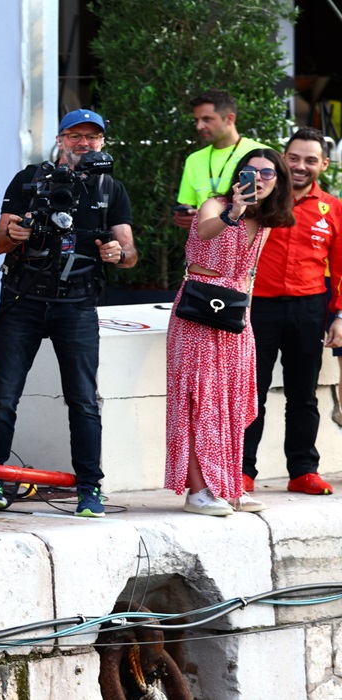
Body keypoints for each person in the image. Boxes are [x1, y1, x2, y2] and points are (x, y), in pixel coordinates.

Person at [0, 109, 136, 517]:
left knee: (84, 400)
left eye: (92, 137)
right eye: (74, 135)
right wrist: (13, 234)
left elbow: (130, 253)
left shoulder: (110, 188)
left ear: (102, 143)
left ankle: (90, 489)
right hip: (23, 300)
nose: (83, 143)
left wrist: (116, 252)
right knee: (3, 396)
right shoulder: (30, 179)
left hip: (78, 304)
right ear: (60, 139)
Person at [167, 149, 295, 516]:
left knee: (232, 403)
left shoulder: (267, 222)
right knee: (196, 401)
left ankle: (226, 485)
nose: (257, 179)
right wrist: (233, 212)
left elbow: (249, 273)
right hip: (198, 309)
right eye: (249, 171)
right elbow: (206, 232)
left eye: (267, 173)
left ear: (278, 181)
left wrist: (247, 320)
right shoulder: (215, 205)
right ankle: (197, 491)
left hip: (235, 316)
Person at [243, 129, 340, 497]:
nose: (301, 166)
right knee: (252, 392)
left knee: (304, 394)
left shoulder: (332, 208)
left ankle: (303, 470)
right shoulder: (259, 202)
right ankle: (243, 470)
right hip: (258, 309)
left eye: (310, 160)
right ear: (283, 158)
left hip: (308, 308)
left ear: (323, 165)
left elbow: (341, 267)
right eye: (294, 158)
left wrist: (340, 316)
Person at [174, 90, 269, 229]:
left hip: (247, 241)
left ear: (230, 119)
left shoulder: (262, 155)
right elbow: (187, 203)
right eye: (196, 120)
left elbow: (276, 204)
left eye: (207, 119)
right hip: (206, 244)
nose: (199, 126)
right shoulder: (194, 160)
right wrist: (186, 214)